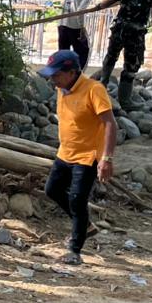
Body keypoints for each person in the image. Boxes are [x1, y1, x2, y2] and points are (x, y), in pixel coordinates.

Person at [38, 49, 116, 264]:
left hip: (87, 156)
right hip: (65, 152)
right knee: (52, 190)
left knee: (77, 199)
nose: (52, 80)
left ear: (72, 72)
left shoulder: (94, 90)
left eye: (56, 75)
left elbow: (110, 123)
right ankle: (86, 226)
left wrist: (106, 159)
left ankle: (75, 249)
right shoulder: (62, 88)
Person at [94, 0, 152, 108]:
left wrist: (97, 7)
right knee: (131, 65)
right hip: (135, 32)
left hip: (118, 29)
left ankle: (102, 85)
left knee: (111, 56)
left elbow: (108, 2)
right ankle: (124, 101)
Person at [58, 0, 100, 68]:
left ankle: (62, 76)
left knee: (63, 54)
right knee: (83, 51)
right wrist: (81, 28)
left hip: (62, 25)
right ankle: (78, 75)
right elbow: (80, 11)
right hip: (74, 26)